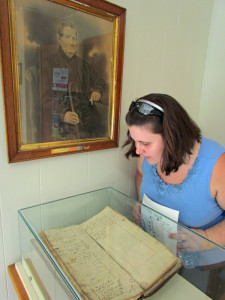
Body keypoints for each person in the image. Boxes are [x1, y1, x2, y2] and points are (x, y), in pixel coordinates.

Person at [123, 93, 225, 252]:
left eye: (145, 143)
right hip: (160, 249)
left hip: (205, 256)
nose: (138, 150)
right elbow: (140, 175)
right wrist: (141, 202)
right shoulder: (147, 156)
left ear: (173, 137)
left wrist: (207, 238)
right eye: (135, 141)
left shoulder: (217, 164)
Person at [41, 20, 106, 142]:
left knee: (101, 132)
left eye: (74, 38)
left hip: (87, 113)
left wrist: (97, 90)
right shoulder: (48, 64)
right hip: (64, 116)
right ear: (59, 38)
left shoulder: (84, 65)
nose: (72, 42)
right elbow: (45, 98)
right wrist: (63, 114)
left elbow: (100, 81)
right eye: (67, 37)